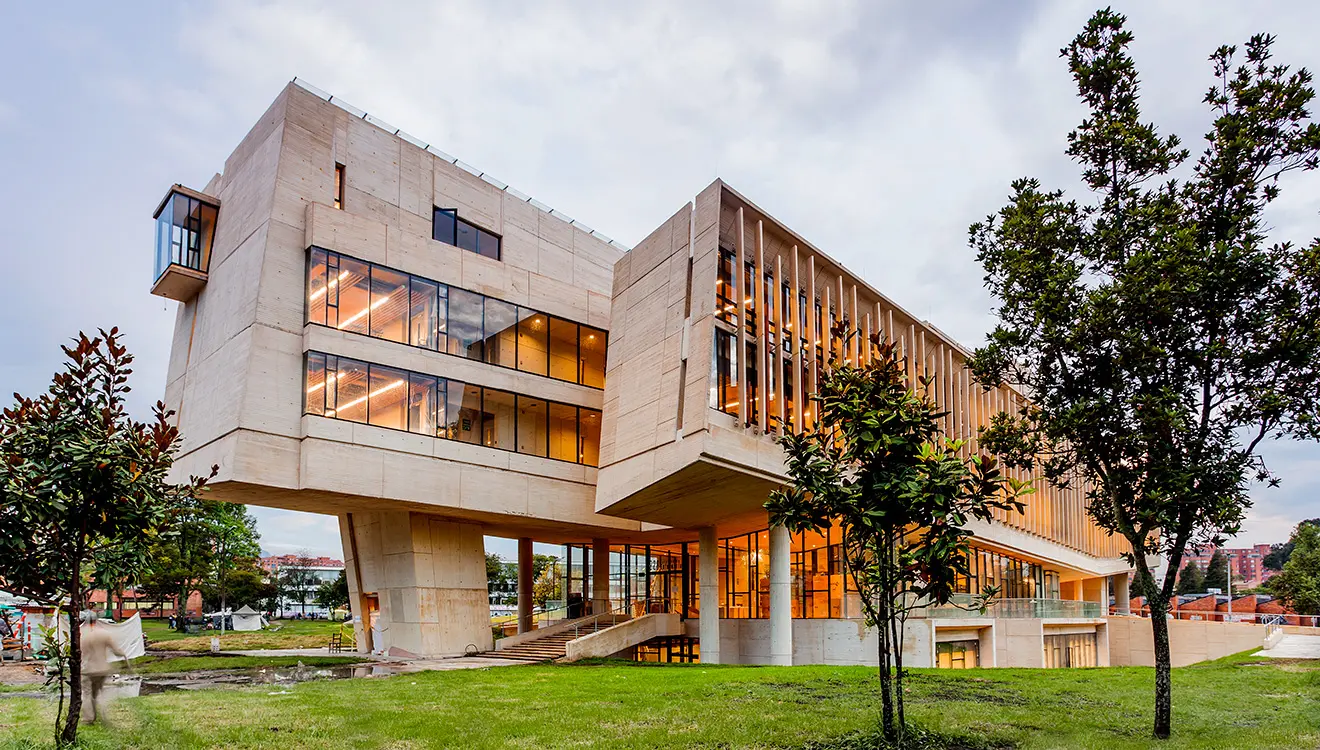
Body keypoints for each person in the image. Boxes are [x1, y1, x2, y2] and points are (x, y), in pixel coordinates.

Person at [79, 610, 127, 724]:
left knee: (86, 694)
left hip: (86, 669)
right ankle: (102, 715)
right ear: (95, 621)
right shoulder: (104, 633)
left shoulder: (79, 634)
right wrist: (124, 654)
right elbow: (116, 651)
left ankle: (88, 718)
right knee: (97, 693)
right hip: (102, 669)